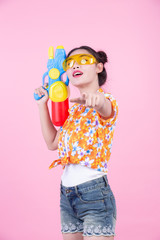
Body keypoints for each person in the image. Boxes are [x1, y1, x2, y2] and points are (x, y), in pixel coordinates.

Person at [34, 45, 119, 240]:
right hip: (67, 195)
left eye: (83, 60)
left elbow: (104, 108)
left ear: (98, 67)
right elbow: (52, 143)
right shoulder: (72, 111)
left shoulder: (106, 100)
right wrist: (42, 105)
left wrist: (96, 100)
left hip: (95, 194)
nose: (74, 66)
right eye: (69, 63)